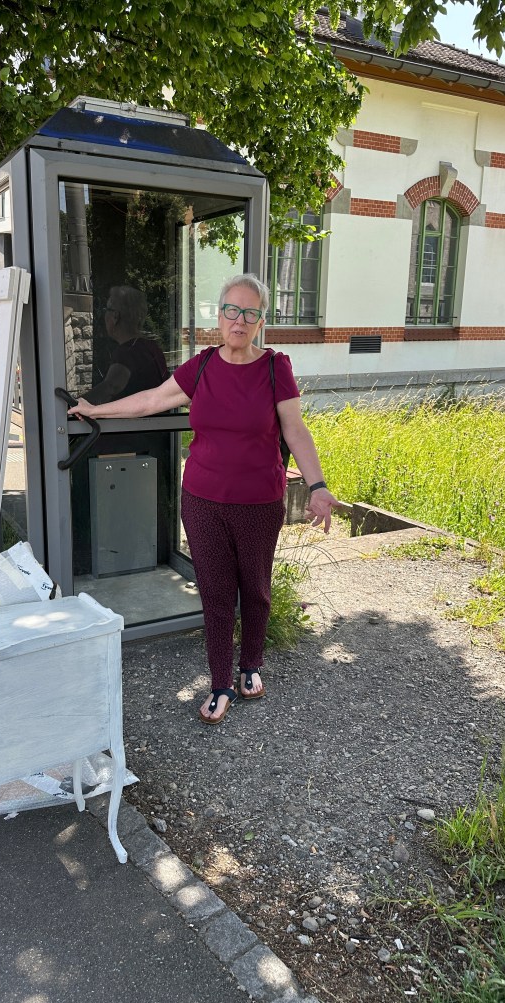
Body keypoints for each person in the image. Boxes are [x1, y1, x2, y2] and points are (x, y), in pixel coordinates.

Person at [68, 273, 339, 724]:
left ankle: (251, 664)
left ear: (260, 321)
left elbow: (295, 430)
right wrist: (97, 410)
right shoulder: (203, 365)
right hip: (203, 501)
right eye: (232, 310)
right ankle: (220, 683)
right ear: (219, 315)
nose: (239, 320)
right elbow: (150, 401)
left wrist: (317, 486)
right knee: (215, 594)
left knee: (255, 589)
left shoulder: (275, 368)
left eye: (250, 313)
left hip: (259, 503)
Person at [83, 285, 168, 404]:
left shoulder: (127, 353)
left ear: (115, 316)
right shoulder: (151, 346)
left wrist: (75, 405)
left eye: (106, 309)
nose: (104, 315)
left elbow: (110, 388)